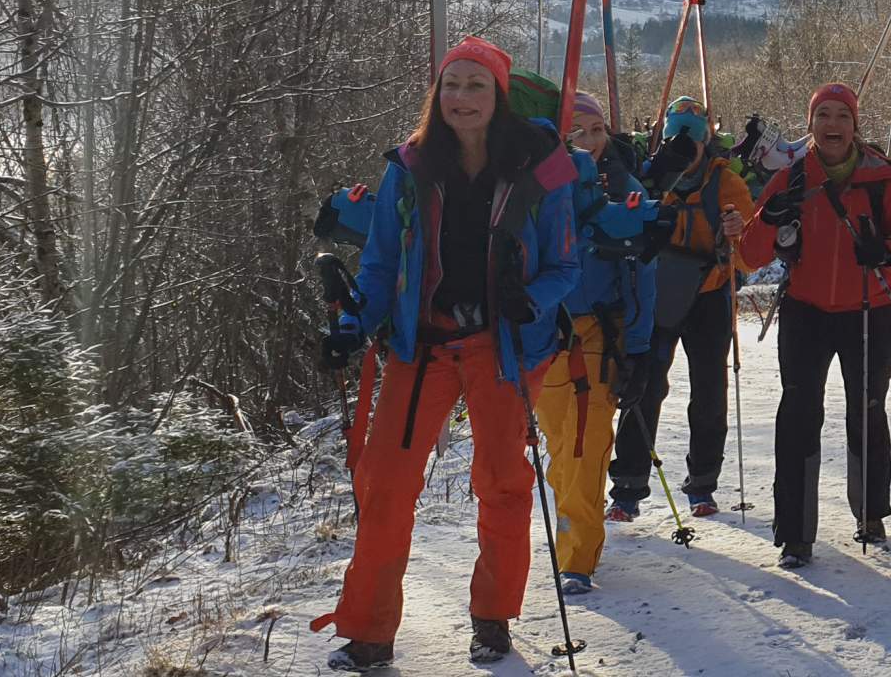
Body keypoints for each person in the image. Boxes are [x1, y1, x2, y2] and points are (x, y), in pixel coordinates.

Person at [311, 36, 580, 669]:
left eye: (476, 86)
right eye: (451, 85)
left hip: (503, 346)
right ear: (438, 93)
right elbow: (377, 266)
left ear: (499, 96)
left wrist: (530, 299)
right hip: (421, 347)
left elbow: (567, 265)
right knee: (386, 486)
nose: (462, 98)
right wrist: (356, 323)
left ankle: (493, 618)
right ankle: (369, 631)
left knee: (503, 483)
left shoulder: (543, 164)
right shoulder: (408, 166)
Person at [740, 83, 891, 569]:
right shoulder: (792, 179)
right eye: (823, 114)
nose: (832, 124)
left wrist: (889, 256)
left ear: (854, 124)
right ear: (811, 124)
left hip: (871, 310)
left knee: (866, 411)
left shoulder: (879, 177)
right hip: (806, 312)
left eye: (841, 115)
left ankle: (870, 514)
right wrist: (767, 220)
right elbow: (749, 255)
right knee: (799, 416)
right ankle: (795, 534)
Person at [608, 96, 754, 521]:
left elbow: (749, 256)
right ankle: (628, 489)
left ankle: (703, 484)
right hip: (654, 292)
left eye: (692, 139)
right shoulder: (649, 178)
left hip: (710, 293)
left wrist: (737, 234)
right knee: (645, 385)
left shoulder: (727, 184)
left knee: (709, 390)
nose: (685, 149)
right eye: (678, 138)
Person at [536, 92, 658, 594]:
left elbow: (643, 275)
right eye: (576, 131)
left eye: (596, 130)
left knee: (585, 445)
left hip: (597, 334)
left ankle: (576, 558)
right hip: (541, 331)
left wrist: (639, 348)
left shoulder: (622, 191)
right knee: (559, 443)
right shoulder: (536, 188)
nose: (587, 141)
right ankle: (571, 524)